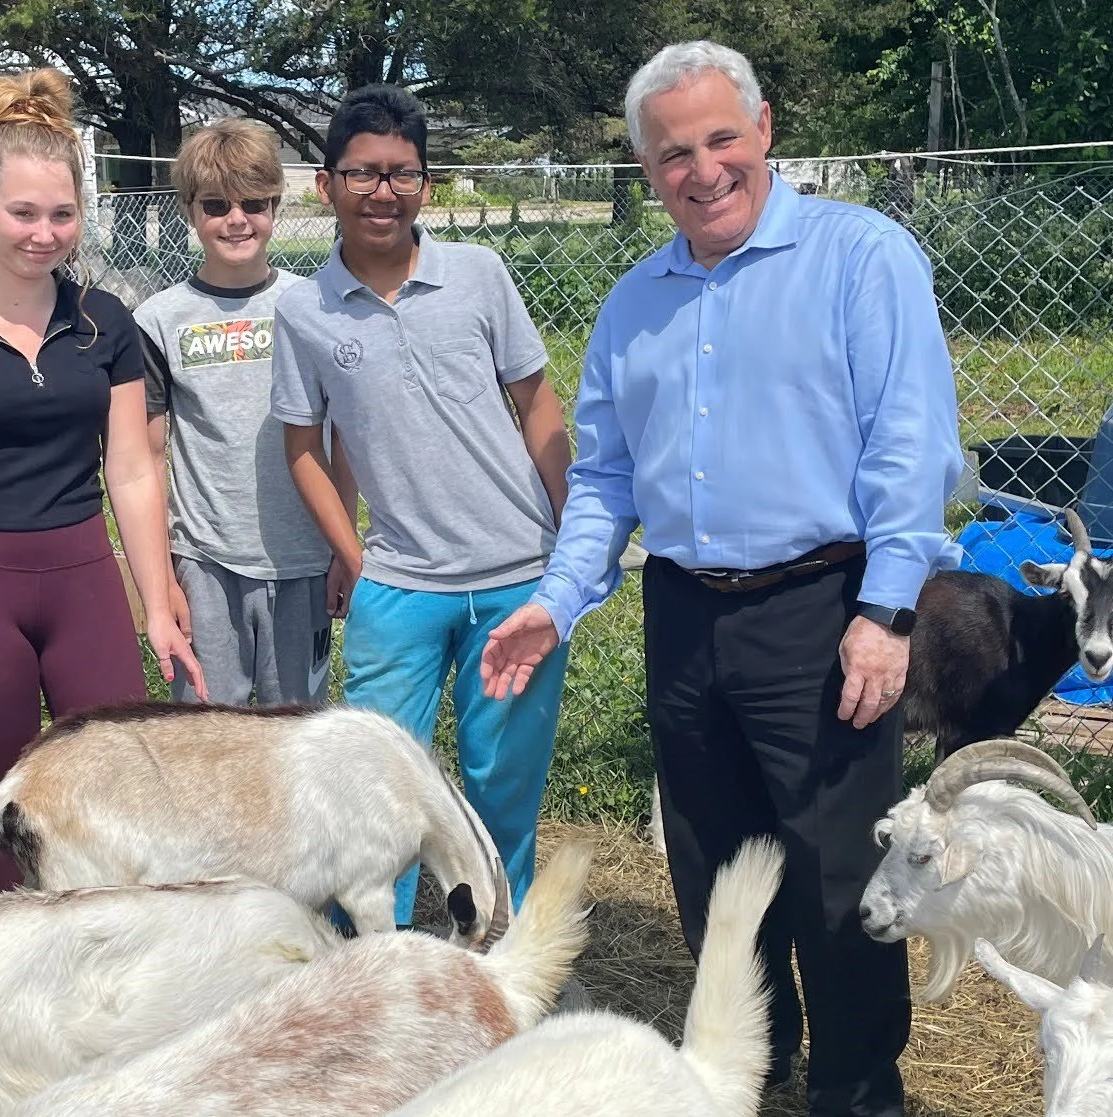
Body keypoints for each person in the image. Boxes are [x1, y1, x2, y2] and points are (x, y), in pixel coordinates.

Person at [482, 41, 964, 1116]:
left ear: (766, 131)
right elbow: (604, 479)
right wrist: (557, 600)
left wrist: (886, 612)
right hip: (688, 610)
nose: (700, 170)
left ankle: (854, 1084)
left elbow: (910, 448)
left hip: (828, 608)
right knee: (714, 865)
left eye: (718, 140)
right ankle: (748, 1060)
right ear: (646, 170)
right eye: (671, 154)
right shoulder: (633, 303)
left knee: (841, 870)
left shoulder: (860, 257)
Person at [0, 67, 204, 900]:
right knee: (7, 809)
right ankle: (4, 990)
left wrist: (158, 598)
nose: (43, 233)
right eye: (24, 212)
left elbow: (131, 469)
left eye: (63, 214)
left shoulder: (105, 322)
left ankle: (107, 983)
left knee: (111, 785)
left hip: (80, 577)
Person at [270, 84, 573, 924]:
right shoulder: (303, 309)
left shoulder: (479, 275)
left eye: (402, 174)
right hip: (397, 585)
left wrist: (571, 544)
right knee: (377, 794)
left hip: (515, 579)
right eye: (363, 174)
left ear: (426, 186)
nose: (382, 192)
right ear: (325, 185)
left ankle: (497, 957)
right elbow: (306, 446)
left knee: (500, 789)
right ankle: (375, 969)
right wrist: (354, 556)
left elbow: (537, 402)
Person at [134, 118, 353, 706]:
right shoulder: (158, 320)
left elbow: (343, 439)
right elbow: (148, 459)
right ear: (190, 210)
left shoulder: (314, 305)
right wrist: (162, 583)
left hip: (302, 558)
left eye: (254, 203)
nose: (236, 220)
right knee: (205, 738)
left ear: (276, 205)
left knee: (296, 741)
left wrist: (343, 546)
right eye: (216, 205)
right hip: (204, 565)